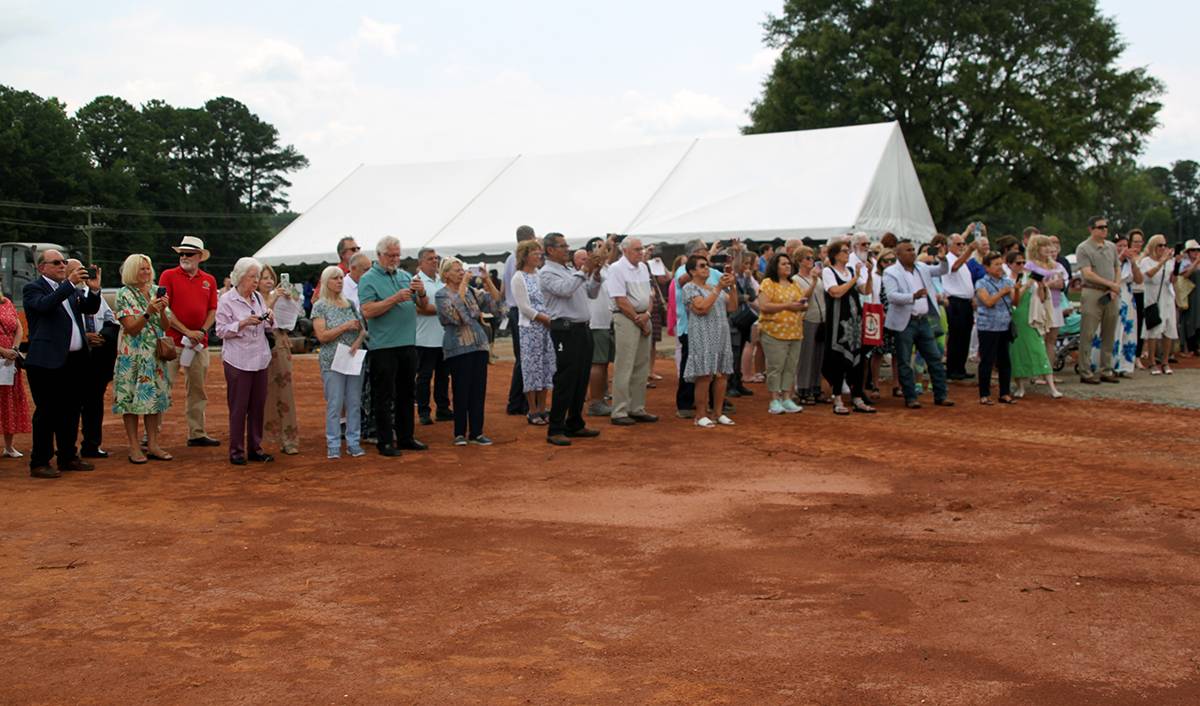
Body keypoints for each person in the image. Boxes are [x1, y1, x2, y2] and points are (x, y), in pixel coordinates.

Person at [22, 249, 100, 478]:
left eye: (64, 262)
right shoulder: (33, 288)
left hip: (73, 361)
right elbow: (44, 306)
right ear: (41, 267)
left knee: (71, 411)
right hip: (46, 361)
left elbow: (89, 309)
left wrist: (94, 290)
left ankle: (67, 456)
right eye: (56, 262)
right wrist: (69, 284)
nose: (62, 266)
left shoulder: (68, 289)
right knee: (47, 412)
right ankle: (40, 461)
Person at [358, 236, 428, 456]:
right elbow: (367, 311)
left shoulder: (405, 276)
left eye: (398, 255)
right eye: (391, 255)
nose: (395, 259)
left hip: (408, 343)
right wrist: (394, 299)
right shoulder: (368, 279)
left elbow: (423, 306)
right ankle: (385, 441)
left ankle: (406, 437)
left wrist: (422, 292)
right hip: (383, 346)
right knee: (384, 395)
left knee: (407, 393)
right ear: (379, 255)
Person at [541, 233, 604, 446]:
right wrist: (585, 270)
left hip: (582, 328)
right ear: (550, 250)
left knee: (581, 377)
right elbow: (565, 290)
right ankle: (555, 428)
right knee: (566, 378)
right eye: (563, 246)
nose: (567, 249)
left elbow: (591, 293)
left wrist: (595, 274)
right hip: (565, 330)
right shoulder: (547, 273)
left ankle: (575, 422)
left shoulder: (568, 270)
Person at [111, 254, 174, 464]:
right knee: (130, 401)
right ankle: (134, 446)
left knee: (153, 400)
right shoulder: (124, 294)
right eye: (142, 269)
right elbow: (131, 328)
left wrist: (162, 311)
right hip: (133, 356)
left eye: (148, 268)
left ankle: (153, 444)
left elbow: (166, 326)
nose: (146, 272)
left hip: (154, 356)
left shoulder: (156, 291)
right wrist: (148, 312)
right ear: (131, 271)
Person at [158, 235, 220, 447]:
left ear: (199, 257)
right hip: (172, 342)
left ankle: (197, 432)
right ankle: (152, 434)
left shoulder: (209, 280)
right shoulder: (168, 275)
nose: (184, 257)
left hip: (198, 344)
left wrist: (201, 331)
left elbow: (213, 309)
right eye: (182, 253)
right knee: (162, 387)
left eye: (189, 254)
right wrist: (186, 331)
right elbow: (165, 308)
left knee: (197, 389)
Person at [215, 257, 275, 465]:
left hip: (260, 358)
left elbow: (268, 327)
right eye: (252, 277)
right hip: (237, 360)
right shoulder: (227, 300)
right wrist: (242, 323)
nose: (256, 280)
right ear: (240, 277)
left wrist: (269, 318)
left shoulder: (258, 297)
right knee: (238, 407)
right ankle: (237, 451)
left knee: (258, 407)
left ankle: (255, 448)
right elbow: (220, 330)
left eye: (257, 276)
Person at [436, 257, 501, 446]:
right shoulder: (441, 295)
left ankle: (476, 432)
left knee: (478, 390)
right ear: (446, 274)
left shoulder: (472, 291)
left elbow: (496, 304)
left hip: (478, 345)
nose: (461, 273)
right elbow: (456, 316)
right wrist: (464, 285)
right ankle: (459, 433)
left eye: (462, 270)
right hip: (458, 348)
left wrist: (487, 280)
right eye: (457, 270)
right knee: (461, 390)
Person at [882, 240, 954, 408]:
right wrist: (913, 296)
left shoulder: (922, 267)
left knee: (934, 358)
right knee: (904, 361)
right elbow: (891, 296)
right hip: (905, 323)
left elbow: (943, 270)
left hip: (922, 320)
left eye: (913, 249)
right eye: (908, 250)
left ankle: (941, 395)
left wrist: (943, 258)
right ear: (898, 254)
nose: (913, 252)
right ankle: (910, 397)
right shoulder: (891, 272)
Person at [311, 266, 367, 459]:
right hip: (332, 360)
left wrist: (357, 342)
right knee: (335, 403)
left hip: (352, 358)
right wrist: (345, 327)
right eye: (335, 278)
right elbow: (322, 336)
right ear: (326, 281)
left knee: (354, 402)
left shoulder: (349, 303)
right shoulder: (320, 306)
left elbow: (362, 329)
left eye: (341, 278)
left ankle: (353, 442)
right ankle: (333, 444)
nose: (340, 281)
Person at [680, 254, 738, 427]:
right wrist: (719, 288)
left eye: (706, 265)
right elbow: (702, 308)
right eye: (702, 265)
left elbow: (732, 306)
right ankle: (700, 415)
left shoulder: (713, 287)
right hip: (702, 334)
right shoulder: (689, 288)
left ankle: (718, 413)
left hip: (721, 334)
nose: (706, 268)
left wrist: (733, 286)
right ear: (692, 271)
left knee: (722, 374)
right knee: (704, 375)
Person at [607, 238, 658, 426]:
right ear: (625, 251)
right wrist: (640, 319)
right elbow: (620, 300)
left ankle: (637, 408)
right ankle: (619, 411)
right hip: (626, 318)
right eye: (637, 249)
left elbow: (650, 296)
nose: (641, 252)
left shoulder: (643, 267)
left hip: (643, 316)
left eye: (641, 248)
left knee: (642, 365)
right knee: (625, 364)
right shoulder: (616, 269)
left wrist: (647, 315)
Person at [822, 241, 874, 415]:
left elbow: (866, 291)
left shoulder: (851, 271)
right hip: (838, 323)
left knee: (857, 359)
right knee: (838, 358)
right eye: (844, 251)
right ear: (835, 254)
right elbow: (836, 292)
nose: (847, 253)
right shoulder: (828, 271)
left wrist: (869, 274)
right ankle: (837, 398)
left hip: (854, 323)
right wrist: (855, 278)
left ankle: (857, 397)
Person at [74, 259, 118, 459]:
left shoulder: (94, 295)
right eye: (76, 270)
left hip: (97, 358)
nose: (81, 274)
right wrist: (84, 336)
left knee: (94, 403)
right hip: (73, 357)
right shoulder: (64, 296)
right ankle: (67, 448)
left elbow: (111, 320)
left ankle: (92, 445)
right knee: (71, 405)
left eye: (82, 270)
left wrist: (103, 336)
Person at [509, 239, 556, 424]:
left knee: (545, 366)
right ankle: (532, 410)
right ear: (525, 256)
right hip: (530, 329)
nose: (539, 256)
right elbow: (524, 308)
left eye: (539, 253)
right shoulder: (518, 277)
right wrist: (545, 319)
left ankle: (543, 408)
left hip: (546, 328)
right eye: (535, 253)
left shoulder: (540, 275)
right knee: (531, 368)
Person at [674, 240, 721, 419]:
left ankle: (713, 403)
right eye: (704, 250)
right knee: (691, 365)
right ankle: (686, 403)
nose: (707, 253)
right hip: (691, 326)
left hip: (714, 326)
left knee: (713, 367)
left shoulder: (712, 271)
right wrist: (703, 261)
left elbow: (726, 283)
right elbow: (682, 280)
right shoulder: (684, 268)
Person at [1006, 250, 1062, 399]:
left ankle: (1052, 387)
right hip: (1016, 317)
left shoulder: (1029, 277)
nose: (1021, 265)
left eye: (1023, 262)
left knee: (1039, 350)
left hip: (1031, 317)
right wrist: (1026, 285)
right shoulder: (1007, 280)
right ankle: (1020, 386)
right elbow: (1014, 300)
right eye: (1018, 263)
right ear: (1010, 265)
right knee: (1017, 352)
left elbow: (1042, 298)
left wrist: (1041, 285)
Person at [257, 266, 300, 455]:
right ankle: (264, 438)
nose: (268, 281)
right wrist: (273, 299)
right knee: (262, 392)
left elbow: (297, 310)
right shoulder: (253, 298)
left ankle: (289, 439)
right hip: (258, 346)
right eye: (264, 278)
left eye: (270, 278)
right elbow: (260, 316)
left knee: (285, 392)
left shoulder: (280, 295)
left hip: (280, 343)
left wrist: (291, 296)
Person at [757, 252, 806, 414]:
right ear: (775, 266)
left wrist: (801, 305)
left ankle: (786, 398)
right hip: (773, 331)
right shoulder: (768, 283)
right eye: (783, 264)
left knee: (790, 366)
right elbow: (764, 306)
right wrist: (788, 306)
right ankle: (774, 399)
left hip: (795, 331)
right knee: (776, 366)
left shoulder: (794, 284)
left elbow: (802, 302)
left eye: (789, 264)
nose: (788, 266)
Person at [1075, 216, 1121, 384]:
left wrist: (1115, 286)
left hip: (1111, 293)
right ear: (1091, 229)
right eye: (1100, 227)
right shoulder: (1083, 248)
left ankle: (1106, 369)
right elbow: (1087, 273)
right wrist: (1111, 284)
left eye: (1106, 227)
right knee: (1088, 333)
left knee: (1109, 332)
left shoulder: (1111, 247)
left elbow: (1117, 267)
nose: (1104, 230)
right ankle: (1085, 371)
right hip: (1092, 292)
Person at [1089, 234, 1142, 377]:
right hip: (1112, 295)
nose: (1123, 248)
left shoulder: (1129, 263)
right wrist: (1119, 259)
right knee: (1111, 331)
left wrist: (1133, 263)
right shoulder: (1108, 260)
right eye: (1120, 246)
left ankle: (1124, 366)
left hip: (1127, 297)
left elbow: (1139, 280)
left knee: (1127, 332)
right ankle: (1107, 365)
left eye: (1125, 246)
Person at [413, 248, 452, 426]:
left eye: (436, 258)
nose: (435, 261)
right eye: (430, 259)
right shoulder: (416, 281)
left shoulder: (441, 281)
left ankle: (443, 408)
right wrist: (445, 309)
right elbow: (421, 308)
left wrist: (434, 308)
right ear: (420, 263)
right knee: (424, 377)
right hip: (424, 339)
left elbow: (430, 307)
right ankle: (423, 411)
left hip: (443, 337)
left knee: (443, 376)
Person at [501, 225, 537, 415]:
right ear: (530, 237)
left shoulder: (509, 258)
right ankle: (517, 402)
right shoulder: (520, 259)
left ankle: (518, 402)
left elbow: (503, 289)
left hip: (515, 310)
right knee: (525, 358)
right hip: (522, 311)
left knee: (522, 358)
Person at [975, 252, 1019, 405]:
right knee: (987, 360)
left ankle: (1005, 393)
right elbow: (987, 302)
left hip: (1004, 325)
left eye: (1001, 264)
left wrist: (1016, 290)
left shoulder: (1007, 281)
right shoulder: (981, 283)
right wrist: (1002, 292)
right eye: (996, 264)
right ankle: (984, 394)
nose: (1000, 267)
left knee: (1004, 360)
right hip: (987, 327)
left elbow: (1015, 302)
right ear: (987, 267)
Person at [1026, 235, 1070, 375]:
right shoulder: (1030, 265)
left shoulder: (1056, 265)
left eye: (1048, 245)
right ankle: (1037, 372)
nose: (1047, 248)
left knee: (1051, 340)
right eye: (1043, 246)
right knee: (1040, 339)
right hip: (1039, 305)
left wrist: (1053, 284)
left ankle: (1049, 373)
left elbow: (1063, 283)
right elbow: (1031, 286)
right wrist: (1050, 284)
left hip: (1055, 304)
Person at [0, 271, 31, 458]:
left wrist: (14, 348)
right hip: (4, 355)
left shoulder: (7, 303)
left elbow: (18, 327)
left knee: (9, 400)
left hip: (9, 361)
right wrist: (2, 350)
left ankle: (9, 446)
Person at [586, 237, 617, 417]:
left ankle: (601, 397)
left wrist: (612, 245)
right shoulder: (591, 268)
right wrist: (607, 243)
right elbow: (597, 260)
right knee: (598, 363)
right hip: (596, 322)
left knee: (604, 363)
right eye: (598, 247)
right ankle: (595, 402)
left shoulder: (607, 268)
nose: (603, 249)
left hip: (607, 322)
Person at [791, 246, 826, 405]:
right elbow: (803, 298)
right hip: (807, 320)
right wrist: (813, 282)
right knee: (806, 356)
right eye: (807, 258)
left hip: (821, 319)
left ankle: (816, 387)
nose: (811, 261)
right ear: (799, 261)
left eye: (812, 258)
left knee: (819, 356)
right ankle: (803, 389)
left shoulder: (817, 278)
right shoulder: (796, 279)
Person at [943, 229, 979, 380]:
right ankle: (952, 368)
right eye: (958, 244)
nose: (962, 246)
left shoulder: (962, 261)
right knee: (956, 336)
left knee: (964, 336)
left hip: (965, 302)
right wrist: (969, 250)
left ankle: (960, 367)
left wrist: (972, 297)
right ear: (949, 246)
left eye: (963, 244)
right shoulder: (948, 259)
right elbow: (954, 267)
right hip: (955, 301)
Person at [1139, 234, 1177, 375]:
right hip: (1153, 297)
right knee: (1153, 329)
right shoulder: (1146, 261)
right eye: (1160, 245)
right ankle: (1152, 362)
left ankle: (1165, 361)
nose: (1163, 248)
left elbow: (1172, 280)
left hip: (1167, 297)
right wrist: (1162, 262)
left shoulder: (1170, 262)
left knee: (1169, 328)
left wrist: (1176, 266)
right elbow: (1149, 275)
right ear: (1153, 246)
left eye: (1164, 245)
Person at [1180, 240, 1200, 354]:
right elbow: (1185, 274)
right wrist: (1196, 262)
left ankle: (1196, 345)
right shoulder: (1184, 263)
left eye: (1197, 250)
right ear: (1187, 252)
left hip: (1198, 293)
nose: (1195, 252)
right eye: (1193, 250)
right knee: (1189, 319)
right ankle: (1188, 346)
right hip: (1188, 294)